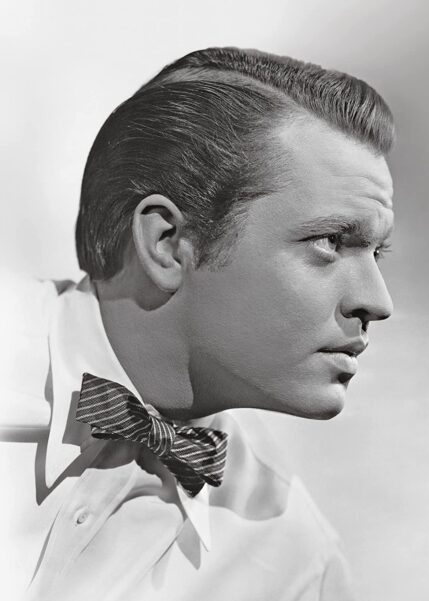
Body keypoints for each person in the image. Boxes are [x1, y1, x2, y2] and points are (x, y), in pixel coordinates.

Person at [0, 46, 395, 600]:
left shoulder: (297, 566)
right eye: (330, 241)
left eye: (378, 252)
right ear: (168, 243)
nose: (378, 302)